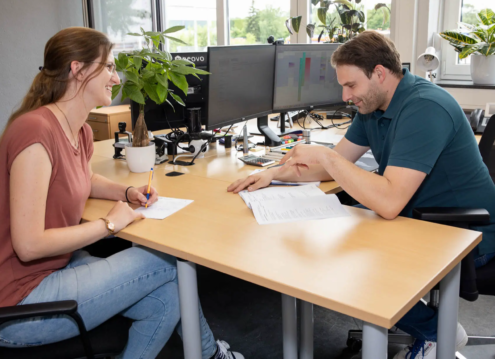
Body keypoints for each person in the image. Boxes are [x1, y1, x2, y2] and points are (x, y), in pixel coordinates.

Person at [228, 31, 495, 359]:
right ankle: (433, 327)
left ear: (379, 73)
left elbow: (386, 200)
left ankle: (438, 331)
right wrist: (273, 174)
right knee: (336, 246)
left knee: (349, 262)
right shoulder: (374, 105)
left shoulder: (425, 107)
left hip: (464, 234)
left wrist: (325, 156)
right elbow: (334, 166)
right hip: (417, 218)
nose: (345, 95)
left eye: (351, 85)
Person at [0, 27, 243, 359]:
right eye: (109, 67)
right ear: (78, 69)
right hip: (21, 300)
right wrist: (108, 225)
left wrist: (126, 191)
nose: (116, 78)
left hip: (58, 269)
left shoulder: (79, 129)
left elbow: (83, 178)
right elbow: (28, 246)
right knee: (165, 261)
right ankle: (211, 355)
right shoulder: (34, 131)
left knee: (169, 299)